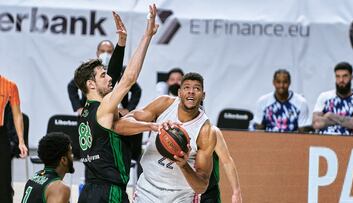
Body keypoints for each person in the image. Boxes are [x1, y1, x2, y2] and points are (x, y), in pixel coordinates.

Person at [74, 6, 159, 203]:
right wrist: (147, 36)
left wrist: (121, 44)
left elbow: (112, 77)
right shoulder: (103, 110)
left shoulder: (87, 112)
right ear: (91, 84)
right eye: (103, 76)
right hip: (108, 193)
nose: (110, 79)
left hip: (89, 192)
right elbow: (128, 78)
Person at [123, 72, 217, 202]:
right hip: (147, 189)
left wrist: (184, 165)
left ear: (203, 95)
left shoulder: (206, 131)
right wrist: (152, 126)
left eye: (197, 88)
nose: (191, 92)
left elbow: (201, 187)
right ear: (179, 92)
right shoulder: (164, 104)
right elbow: (121, 124)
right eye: (186, 87)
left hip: (181, 196)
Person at [21, 132, 74, 203]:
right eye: (70, 153)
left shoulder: (34, 177)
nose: (72, 156)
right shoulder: (59, 188)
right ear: (63, 160)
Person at [0, 75, 28, 203]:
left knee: (4, 181)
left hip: (1, 136)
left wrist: (21, 141)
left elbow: (17, 115)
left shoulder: (9, 86)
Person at [312, 62, 353, 135]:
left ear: (351, 77)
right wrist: (346, 121)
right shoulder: (324, 96)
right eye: (338, 76)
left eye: (345, 76)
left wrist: (331, 115)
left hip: (351, 142)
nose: (341, 80)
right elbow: (316, 123)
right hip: (324, 140)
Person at [201, 126, 242, 203]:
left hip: (208, 193)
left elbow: (227, 162)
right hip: (182, 191)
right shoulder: (176, 131)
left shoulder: (212, 132)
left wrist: (236, 191)